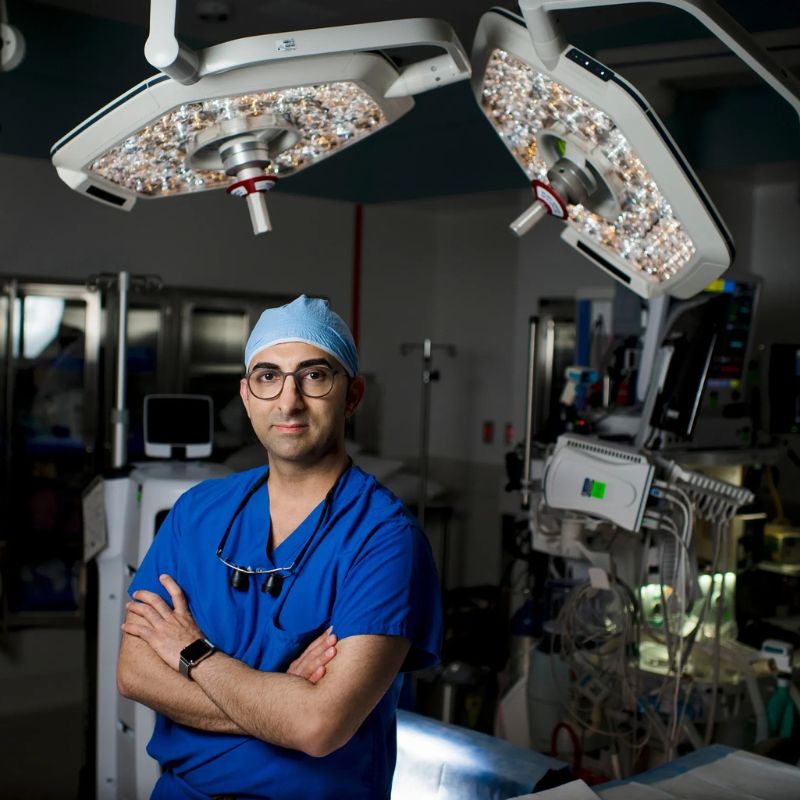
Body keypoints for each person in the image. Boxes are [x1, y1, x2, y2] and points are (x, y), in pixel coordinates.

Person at [117, 295, 442, 799]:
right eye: (268, 376)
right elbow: (134, 672)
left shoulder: (385, 539)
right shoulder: (198, 512)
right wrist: (278, 704)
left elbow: (318, 726)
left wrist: (192, 653)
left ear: (352, 395)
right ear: (247, 395)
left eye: (314, 376)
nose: (288, 402)